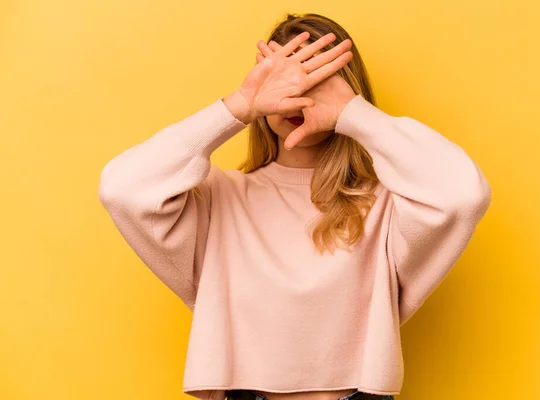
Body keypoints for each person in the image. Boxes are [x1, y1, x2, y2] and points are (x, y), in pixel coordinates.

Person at [98, 12, 491, 400]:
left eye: (319, 81)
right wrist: (237, 107)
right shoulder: (219, 200)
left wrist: (354, 113)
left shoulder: (388, 204)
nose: (299, 96)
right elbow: (122, 189)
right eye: (283, 81)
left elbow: (463, 194)